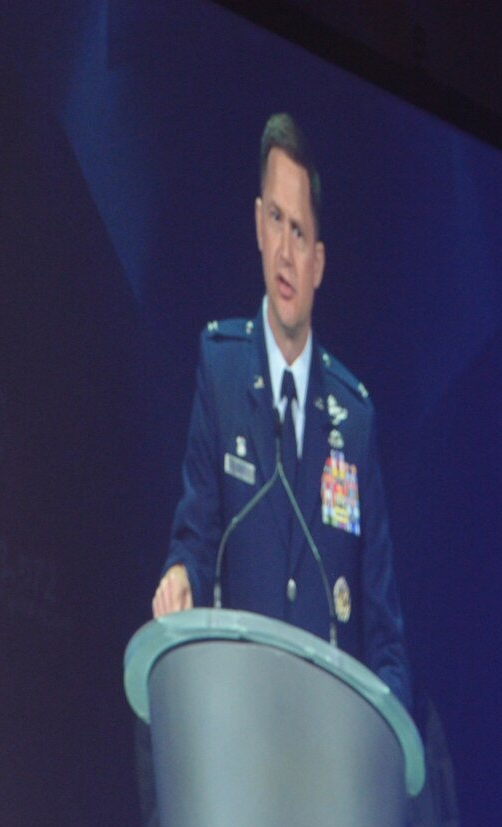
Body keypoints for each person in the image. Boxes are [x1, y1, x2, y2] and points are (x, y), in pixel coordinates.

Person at [152, 113, 410, 710]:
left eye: (299, 232)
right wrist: (179, 577)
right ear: (257, 227)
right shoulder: (220, 370)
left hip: (325, 745)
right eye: (275, 220)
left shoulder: (354, 418)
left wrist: (388, 734)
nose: (286, 252)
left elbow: (383, 631)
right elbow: (195, 539)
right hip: (236, 722)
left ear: (318, 263)